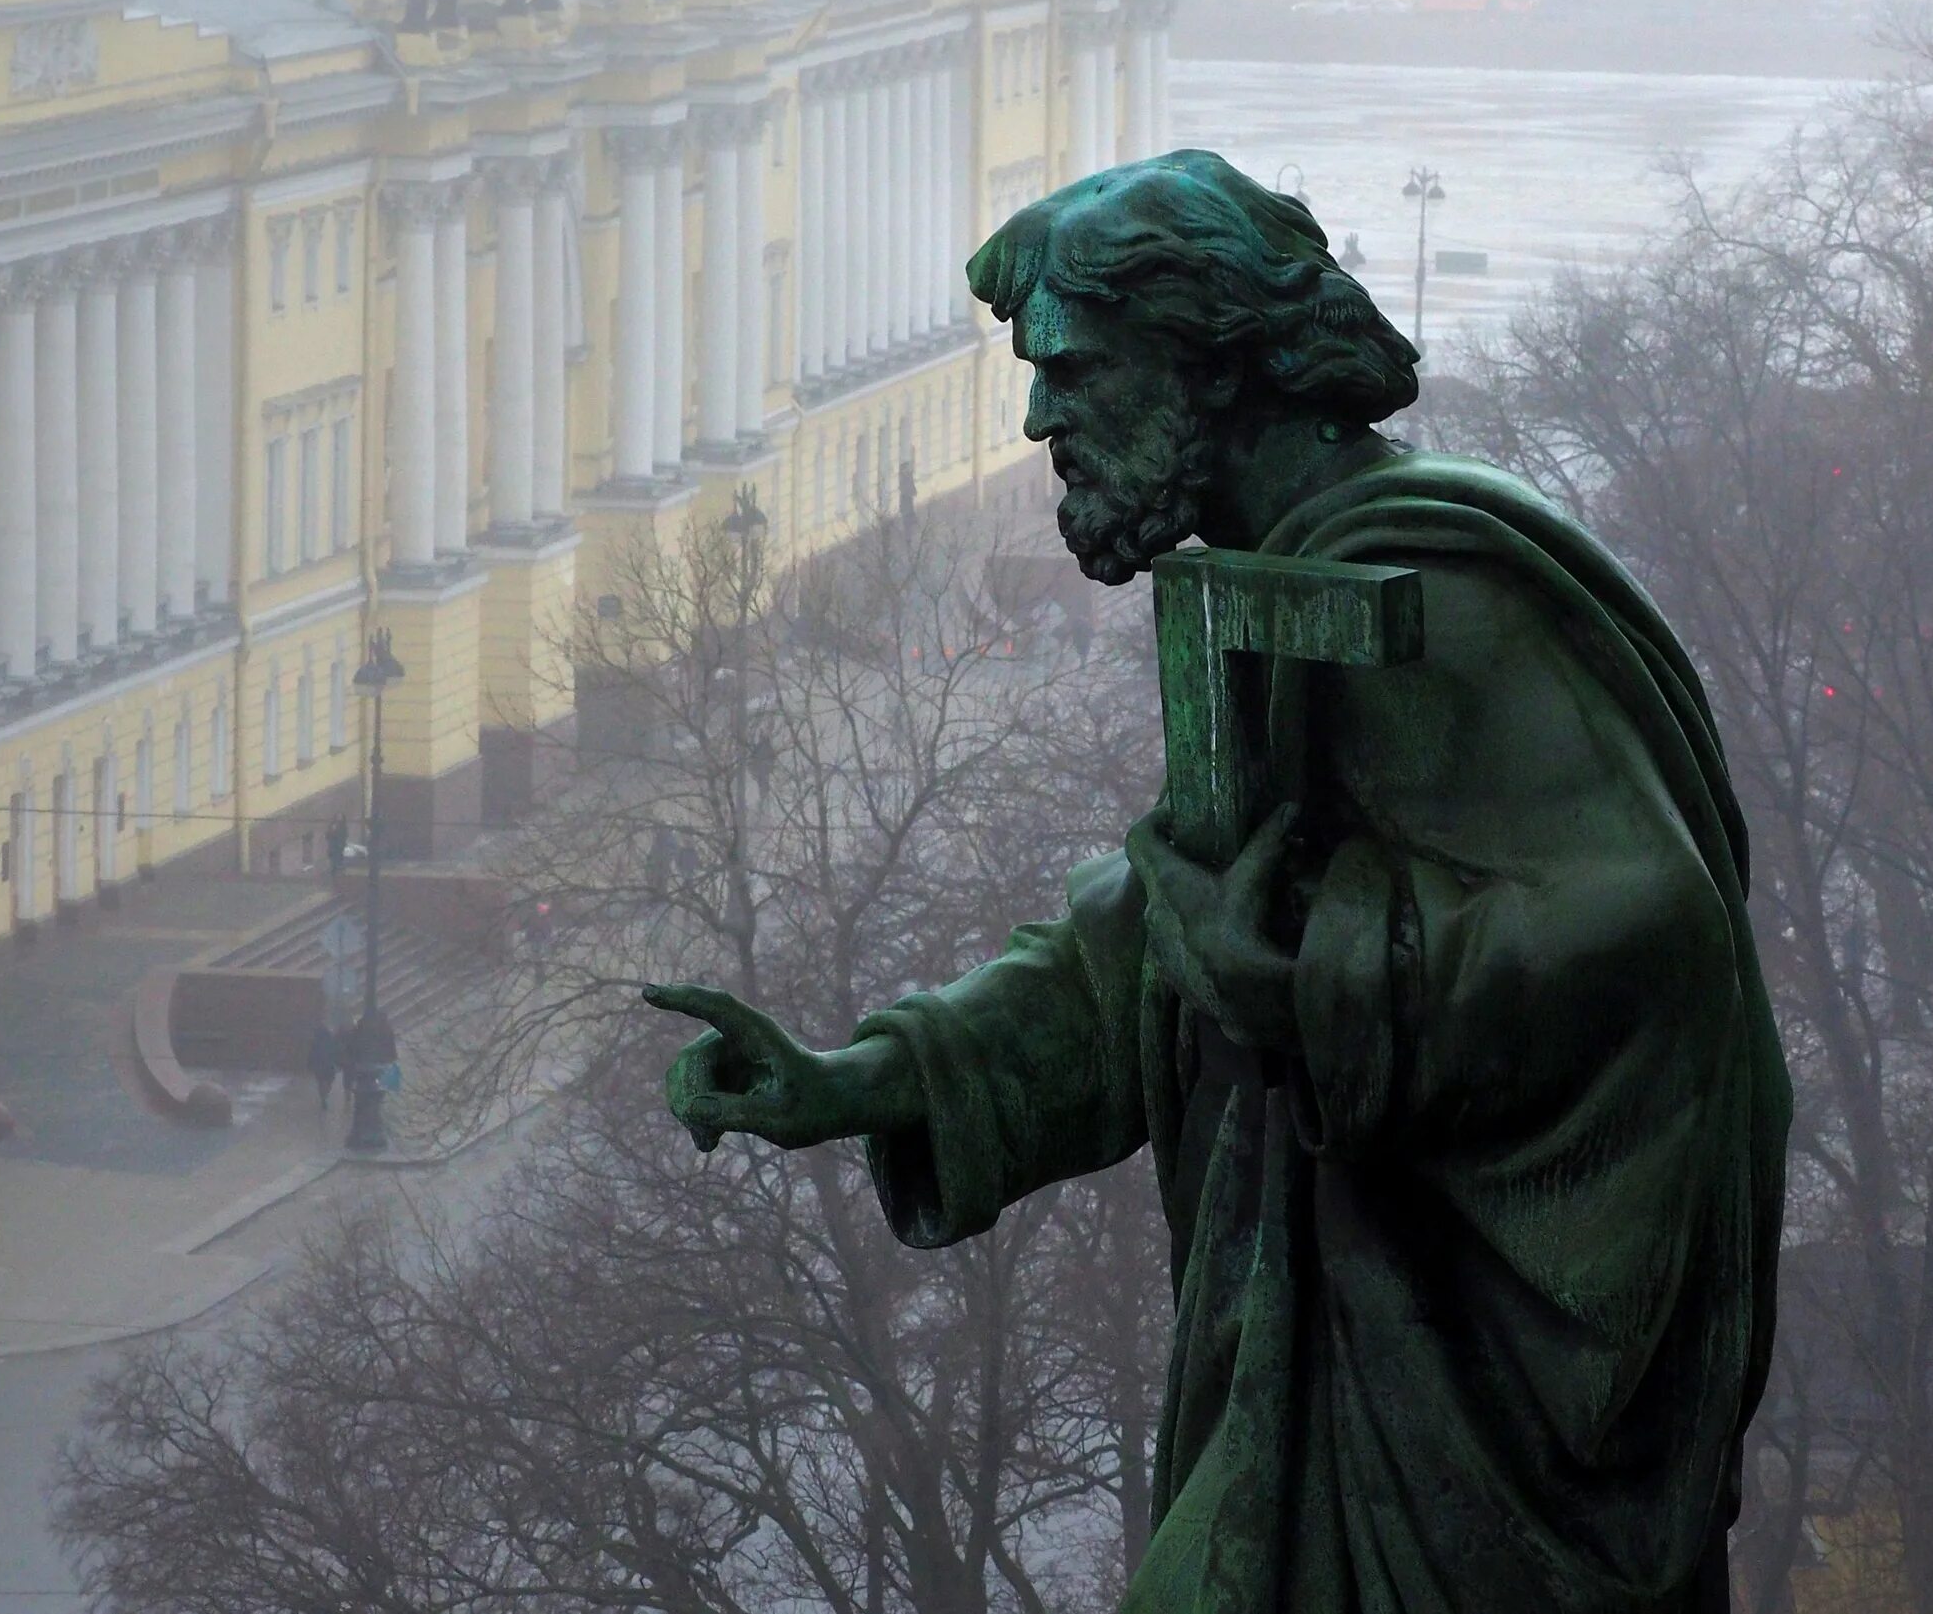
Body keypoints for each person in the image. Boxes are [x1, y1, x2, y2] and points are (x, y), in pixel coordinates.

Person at [649, 150, 1790, 1610]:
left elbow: (1655, 932)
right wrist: (876, 1074)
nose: (1040, 416)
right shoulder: (1288, 582)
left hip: (1451, 1404)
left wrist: (1318, 974)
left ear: (1211, 364)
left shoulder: (1426, 591)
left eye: (1076, 369)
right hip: (1330, 1361)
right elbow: (1163, 924)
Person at [306, 1020, 341, 1114]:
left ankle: (323, 1097)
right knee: (329, 1080)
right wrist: (338, 1062)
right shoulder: (331, 1041)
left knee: (321, 1082)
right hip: (329, 1064)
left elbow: (311, 1054)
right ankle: (325, 1094)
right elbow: (335, 1052)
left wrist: (310, 1064)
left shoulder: (315, 1042)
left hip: (319, 1065)